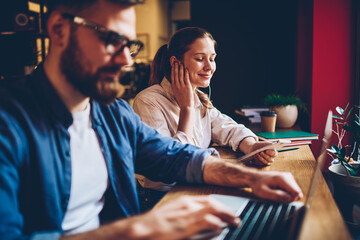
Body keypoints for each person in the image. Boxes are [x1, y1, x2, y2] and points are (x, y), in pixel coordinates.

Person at [0, 0, 303, 239]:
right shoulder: (9, 122)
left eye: (129, 45)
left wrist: (253, 179)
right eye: (111, 39)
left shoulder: (112, 113)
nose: (126, 60)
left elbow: (176, 157)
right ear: (59, 29)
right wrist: (138, 230)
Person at [133, 27, 278, 210]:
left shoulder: (199, 98)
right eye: (200, 59)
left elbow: (227, 127)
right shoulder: (148, 101)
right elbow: (167, 166)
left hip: (197, 188)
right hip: (164, 198)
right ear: (175, 62)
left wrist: (251, 146)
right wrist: (186, 109)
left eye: (212, 58)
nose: (209, 67)